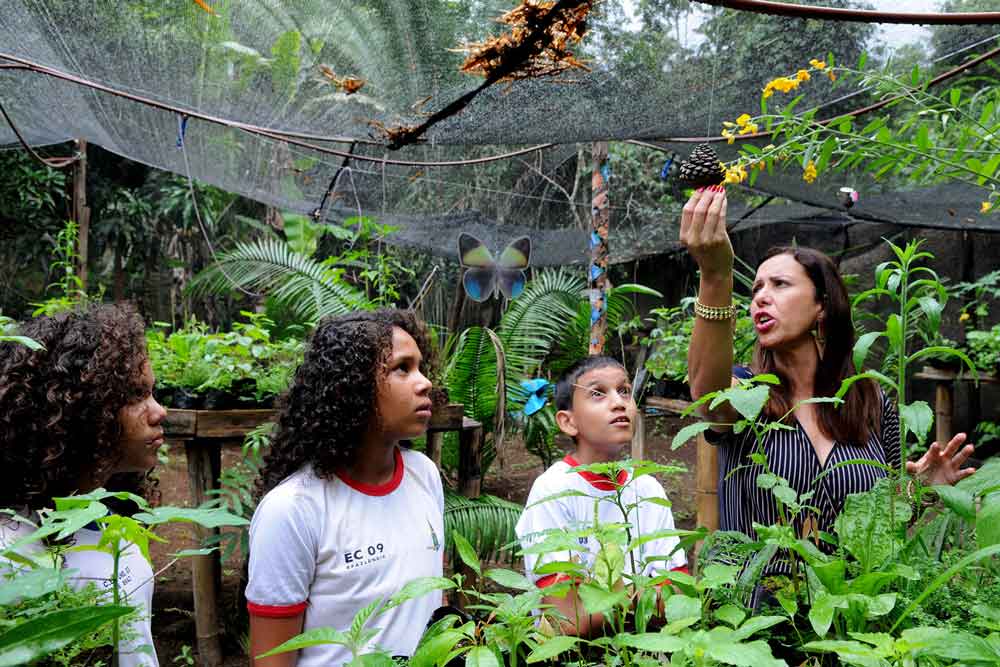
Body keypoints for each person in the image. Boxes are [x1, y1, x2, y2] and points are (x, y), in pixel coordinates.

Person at [679, 185, 976, 589]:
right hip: (754, 624)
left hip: (848, 617)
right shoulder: (747, 396)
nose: (761, 298)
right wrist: (715, 275)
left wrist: (917, 491)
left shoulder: (871, 401)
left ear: (822, 305)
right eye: (756, 290)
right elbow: (708, 396)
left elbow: (876, 519)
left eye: (780, 285)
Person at [246, 309, 444, 667]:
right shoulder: (292, 509)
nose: (424, 381)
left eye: (420, 366)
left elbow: (430, 598)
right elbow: (272, 659)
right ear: (351, 385)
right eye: (402, 368)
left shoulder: (424, 475)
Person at [0, 303, 167, 667]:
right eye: (136, 396)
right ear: (86, 411)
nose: (159, 412)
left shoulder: (111, 521)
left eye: (153, 392)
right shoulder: (13, 548)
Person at [515, 356, 687, 637]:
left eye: (624, 390)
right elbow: (567, 618)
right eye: (598, 393)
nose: (618, 402)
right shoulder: (553, 491)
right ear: (568, 422)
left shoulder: (647, 489)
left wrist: (602, 598)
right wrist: (644, 594)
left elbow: (680, 599)